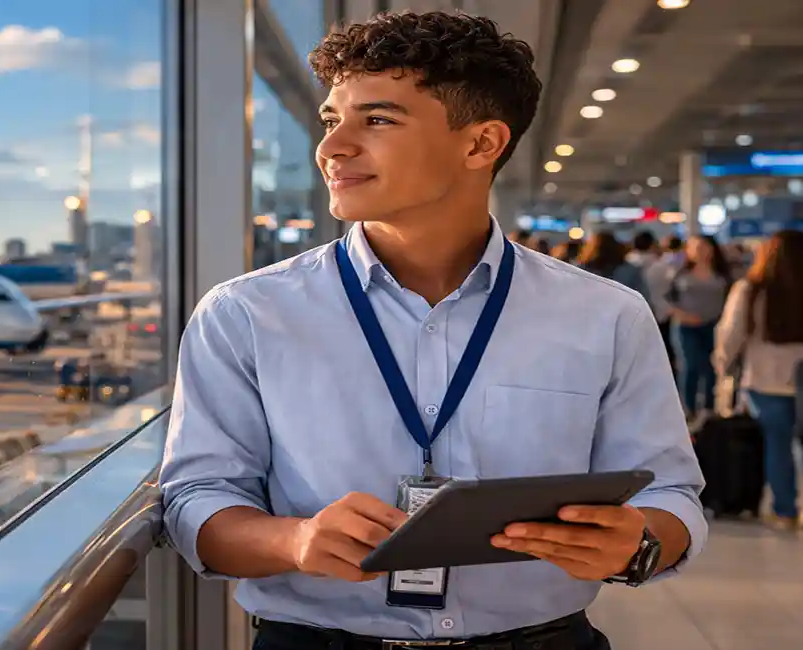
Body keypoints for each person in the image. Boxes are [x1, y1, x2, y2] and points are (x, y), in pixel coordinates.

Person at [160, 11, 705, 650]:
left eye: (379, 120)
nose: (332, 147)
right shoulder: (246, 313)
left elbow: (671, 495)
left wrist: (635, 543)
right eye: (333, 120)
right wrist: (295, 540)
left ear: (481, 144)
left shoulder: (604, 314)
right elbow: (196, 498)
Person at [714, 230, 803, 530]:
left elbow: (730, 335)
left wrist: (723, 369)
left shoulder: (751, 290)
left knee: (777, 446)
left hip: (766, 379)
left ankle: (785, 511)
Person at [666, 235, 734, 417]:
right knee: (690, 365)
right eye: (695, 247)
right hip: (685, 325)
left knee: (712, 367)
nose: (700, 251)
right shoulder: (679, 273)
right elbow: (667, 299)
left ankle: (709, 408)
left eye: (704, 247)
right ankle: (688, 409)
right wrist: (682, 314)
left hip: (714, 325)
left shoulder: (723, 274)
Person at [575, 231, 650, 302]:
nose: (583, 249)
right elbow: (644, 299)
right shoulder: (630, 271)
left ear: (597, 250)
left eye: (588, 245)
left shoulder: (582, 273)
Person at [645, 235, 684, 371]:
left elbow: (653, 291)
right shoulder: (684, 264)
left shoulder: (658, 266)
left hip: (662, 312)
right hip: (682, 313)